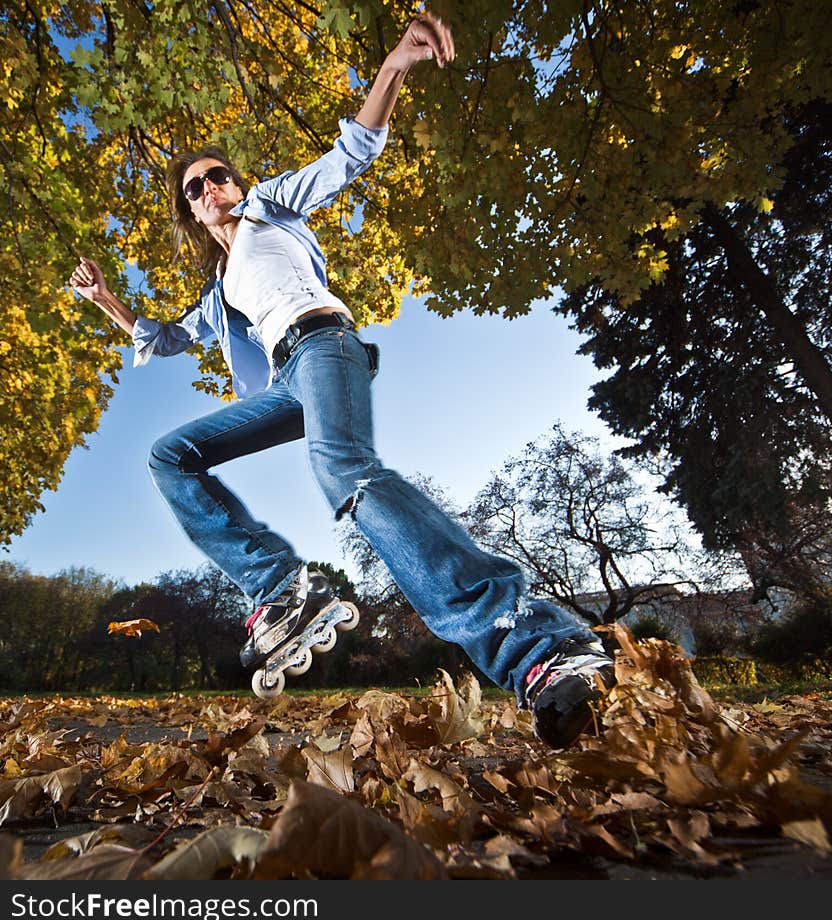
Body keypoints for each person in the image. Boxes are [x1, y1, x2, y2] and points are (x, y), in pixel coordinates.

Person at [69, 12, 613, 749]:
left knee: (345, 475)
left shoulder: (275, 206)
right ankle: (279, 586)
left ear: (236, 182)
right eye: (195, 189)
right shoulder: (216, 291)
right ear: (191, 211)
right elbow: (162, 339)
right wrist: (104, 297)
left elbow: (349, 153)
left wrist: (393, 68)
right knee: (170, 455)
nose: (210, 189)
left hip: (325, 347)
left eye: (217, 175)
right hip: (284, 384)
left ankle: (538, 648)